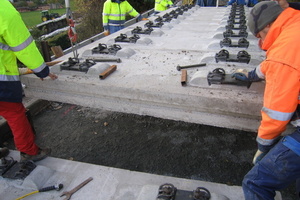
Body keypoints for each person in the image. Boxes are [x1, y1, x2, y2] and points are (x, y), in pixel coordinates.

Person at [231, 1, 300, 199]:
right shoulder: (294, 26)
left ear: (268, 25)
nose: (261, 42)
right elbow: (279, 62)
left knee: (255, 183)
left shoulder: (285, 49)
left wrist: (264, 146)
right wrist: (253, 74)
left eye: (259, 35)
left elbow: (277, 112)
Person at [0, 0, 58, 162]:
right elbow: (24, 48)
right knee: (15, 114)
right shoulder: (3, 10)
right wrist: (41, 70)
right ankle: (29, 151)